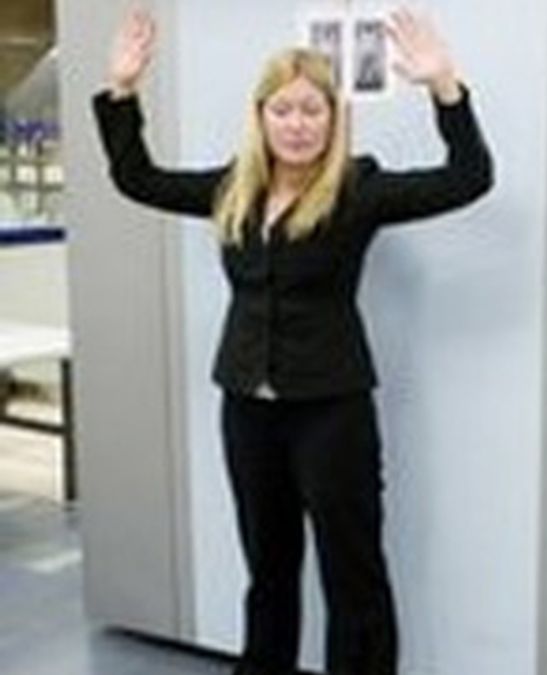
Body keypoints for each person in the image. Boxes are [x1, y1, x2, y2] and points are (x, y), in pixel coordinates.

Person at [94, 7, 494, 675]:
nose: (298, 124)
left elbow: (468, 177)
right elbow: (138, 178)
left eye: (313, 111)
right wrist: (122, 89)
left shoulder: (359, 190)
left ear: (334, 121)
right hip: (246, 404)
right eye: (284, 110)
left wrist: (444, 86)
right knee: (268, 566)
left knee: (353, 571)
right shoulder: (233, 189)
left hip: (331, 409)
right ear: (261, 117)